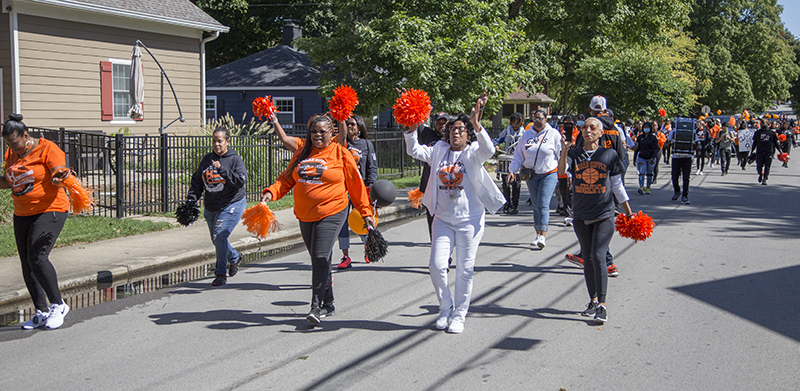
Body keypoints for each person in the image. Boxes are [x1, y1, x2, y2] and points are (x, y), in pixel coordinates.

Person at [404, 94, 505, 334]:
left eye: (460, 129)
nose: (455, 133)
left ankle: (460, 313)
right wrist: (410, 126)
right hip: (442, 219)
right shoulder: (438, 150)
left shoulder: (472, 153)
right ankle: (445, 307)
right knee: (436, 265)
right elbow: (414, 150)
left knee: (465, 269)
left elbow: (489, 149)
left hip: (469, 222)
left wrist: (477, 123)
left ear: (468, 134)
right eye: (451, 129)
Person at [261, 115, 374, 325]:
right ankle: (329, 302)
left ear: (333, 133)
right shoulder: (302, 152)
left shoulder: (340, 152)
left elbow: (356, 185)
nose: (318, 135)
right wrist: (271, 192)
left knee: (321, 255)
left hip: (333, 210)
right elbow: (286, 178)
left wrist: (365, 212)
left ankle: (316, 306)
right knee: (318, 257)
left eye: (323, 131)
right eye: (314, 131)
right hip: (305, 213)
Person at [558, 117, 634, 324]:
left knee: (598, 255)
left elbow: (617, 186)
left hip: (604, 214)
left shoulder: (609, 155)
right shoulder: (574, 154)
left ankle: (602, 304)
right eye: (584, 127)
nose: (587, 130)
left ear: (601, 133)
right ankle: (592, 300)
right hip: (581, 215)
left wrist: (628, 212)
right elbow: (561, 172)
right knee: (588, 258)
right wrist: (564, 150)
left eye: (593, 127)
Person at [0, 114, 71, 329]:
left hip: (51, 209)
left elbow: (60, 170)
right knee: (26, 262)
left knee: (38, 257)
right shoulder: (12, 153)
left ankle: (58, 305)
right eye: (8, 145)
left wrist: (59, 176)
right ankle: (41, 310)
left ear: (26, 135)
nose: (13, 148)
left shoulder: (47, 148)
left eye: (15, 143)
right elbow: (8, 182)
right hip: (22, 212)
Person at [186, 126, 248, 287]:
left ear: (227, 141)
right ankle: (234, 257)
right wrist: (191, 201)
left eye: (220, 141)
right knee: (216, 239)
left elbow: (240, 181)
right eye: (214, 141)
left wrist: (222, 170)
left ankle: (220, 273)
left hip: (232, 203)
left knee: (220, 236)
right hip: (211, 205)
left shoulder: (235, 159)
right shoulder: (207, 159)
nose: (216, 144)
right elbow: (197, 181)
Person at [508, 109, 562, 249]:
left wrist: (566, 172)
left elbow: (560, 154)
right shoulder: (526, 135)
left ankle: (543, 235)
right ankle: (537, 233)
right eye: (535, 119)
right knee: (536, 204)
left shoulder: (553, 134)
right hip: (531, 174)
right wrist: (512, 171)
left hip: (548, 173)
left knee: (543, 203)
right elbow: (518, 155)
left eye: (541, 119)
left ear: (546, 119)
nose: (538, 122)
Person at [335, 114, 378, 269]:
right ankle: (345, 256)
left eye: (352, 123)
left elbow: (372, 167)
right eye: (347, 123)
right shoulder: (341, 143)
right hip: (342, 190)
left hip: (360, 190)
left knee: (361, 221)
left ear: (359, 127)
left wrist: (370, 186)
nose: (349, 126)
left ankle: (367, 247)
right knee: (342, 223)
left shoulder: (366, 144)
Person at [493, 112, 525, 214]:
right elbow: (496, 140)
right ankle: (507, 204)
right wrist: (496, 145)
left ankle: (515, 205)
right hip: (507, 160)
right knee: (506, 184)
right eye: (514, 123)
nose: (515, 125)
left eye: (517, 123)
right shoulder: (506, 132)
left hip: (518, 160)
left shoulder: (524, 133)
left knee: (517, 184)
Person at [669, 117, 696, 204]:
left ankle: (685, 195)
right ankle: (677, 191)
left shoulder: (692, 133)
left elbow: (697, 142)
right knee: (674, 176)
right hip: (676, 156)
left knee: (686, 177)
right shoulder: (673, 132)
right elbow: (668, 141)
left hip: (687, 157)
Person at [749, 119, 782, 185]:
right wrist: (751, 152)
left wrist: (780, 151)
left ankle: (765, 179)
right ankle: (760, 174)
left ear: (768, 124)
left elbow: (776, 143)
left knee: (767, 166)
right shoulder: (757, 133)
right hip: (760, 152)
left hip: (769, 152)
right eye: (762, 123)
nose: (763, 124)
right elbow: (754, 143)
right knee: (759, 166)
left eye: (764, 123)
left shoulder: (772, 133)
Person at [634, 122, 659, 195]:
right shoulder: (640, 137)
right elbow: (637, 149)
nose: (646, 129)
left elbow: (656, 148)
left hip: (651, 158)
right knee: (641, 172)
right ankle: (641, 187)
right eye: (645, 127)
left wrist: (653, 157)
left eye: (648, 127)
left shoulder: (653, 138)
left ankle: (648, 187)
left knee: (649, 173)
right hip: (642, 157)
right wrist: (635, 158)